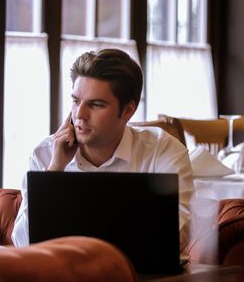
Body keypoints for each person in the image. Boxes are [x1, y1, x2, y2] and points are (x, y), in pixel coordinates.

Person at [11, 48, 194, 248]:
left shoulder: (162, 151)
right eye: (75, 101)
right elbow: (22, 243)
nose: (80, 114)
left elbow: (172, 237)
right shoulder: (45, 154)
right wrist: (54, 172)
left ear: (128, 111)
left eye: (96, 104)